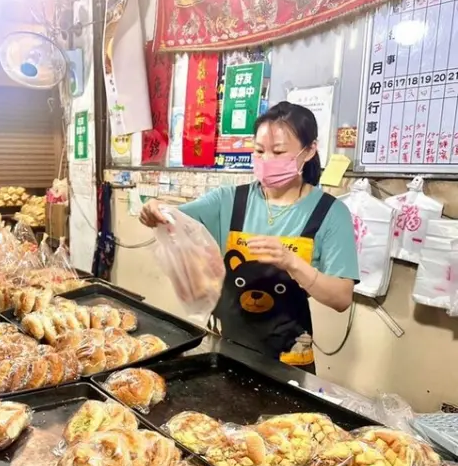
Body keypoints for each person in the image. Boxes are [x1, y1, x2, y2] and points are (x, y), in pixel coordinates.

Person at [140, 101, 358, 373]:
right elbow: (173, 219)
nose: (266, 160)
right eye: (259, 151)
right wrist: (154, 211)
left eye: (278, 152)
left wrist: (293, 263)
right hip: (225, 351)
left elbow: (341, 298)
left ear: (309, 150)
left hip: (289, 362)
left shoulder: (330, 213)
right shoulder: (229, 200)